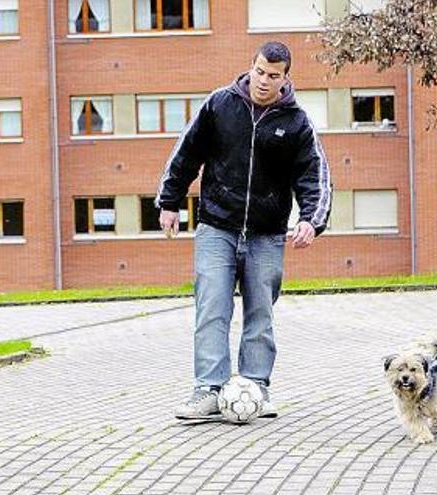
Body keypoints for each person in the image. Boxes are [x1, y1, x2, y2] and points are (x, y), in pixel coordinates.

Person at [156, 41, 332, 420]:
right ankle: (208, 389)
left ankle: (255, 386)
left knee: (260, 313)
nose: (263, 82)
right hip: (217, 225)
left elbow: (314, 175)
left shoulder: (296, 122)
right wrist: (169, 202)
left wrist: (310, 220)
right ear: (250, 67)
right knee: (212, 308)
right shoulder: (220, 105)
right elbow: (185, 153)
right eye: (259, 72)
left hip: (266, 234)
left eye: (273, 76)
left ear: (285, 78)